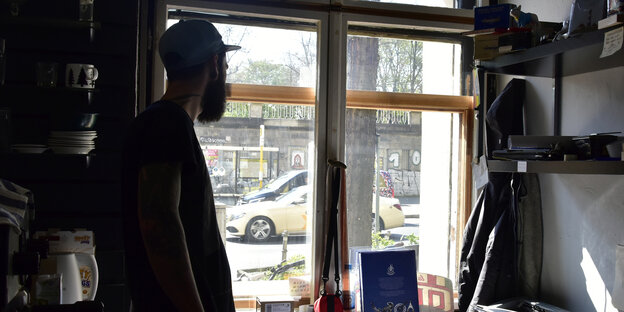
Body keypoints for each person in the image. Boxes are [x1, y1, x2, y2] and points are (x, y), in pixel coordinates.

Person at [122, 20, 240, 312]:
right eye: (225, 66)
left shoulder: (163, 123)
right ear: (214, 64)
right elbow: (159, 224)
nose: (225, 77)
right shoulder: (167, 123)